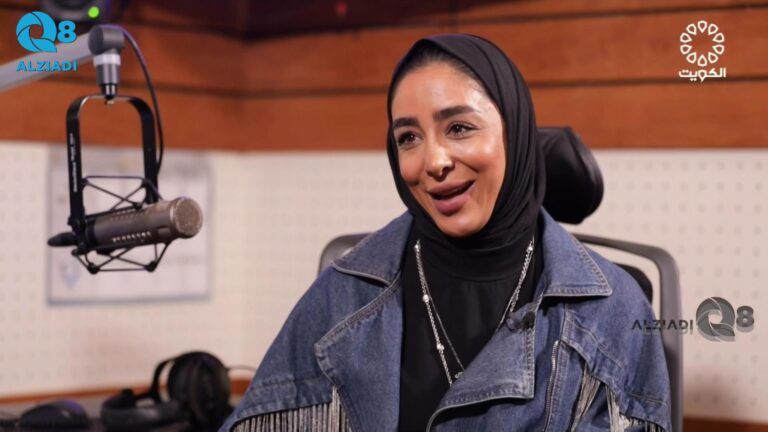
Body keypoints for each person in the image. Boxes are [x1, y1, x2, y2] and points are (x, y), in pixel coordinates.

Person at [220, 34, 671, 432]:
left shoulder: (612, 307)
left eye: (458, 128)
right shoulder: (344, 292)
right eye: (408, 138)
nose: (433, 162)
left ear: (513, 133)